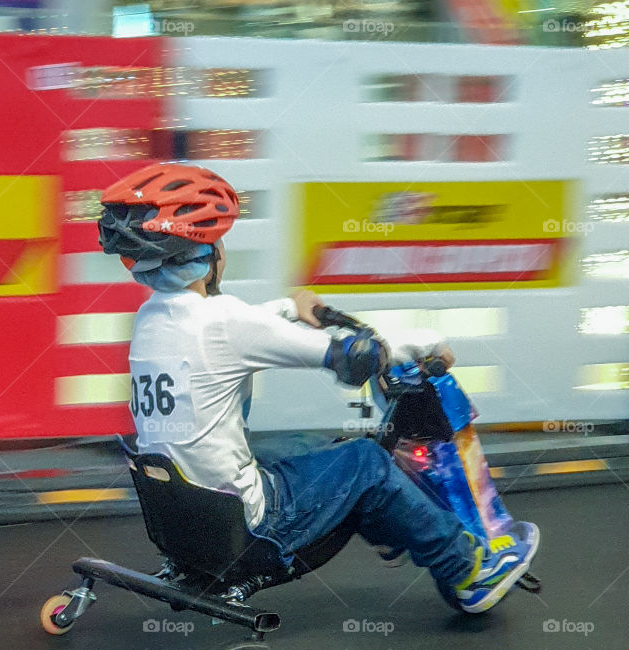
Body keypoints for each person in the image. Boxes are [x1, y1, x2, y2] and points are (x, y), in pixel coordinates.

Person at [97, 161, 539, 614]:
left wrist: (289, 307)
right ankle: (467, 571)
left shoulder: (151, 318)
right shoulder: (225, 323)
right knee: (365, 459)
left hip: (186, 518)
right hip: (249, 525)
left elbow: (235, 327)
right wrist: (425, 343)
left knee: (313, 445)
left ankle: (392, 517)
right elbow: (353, 357)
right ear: (207, 252)